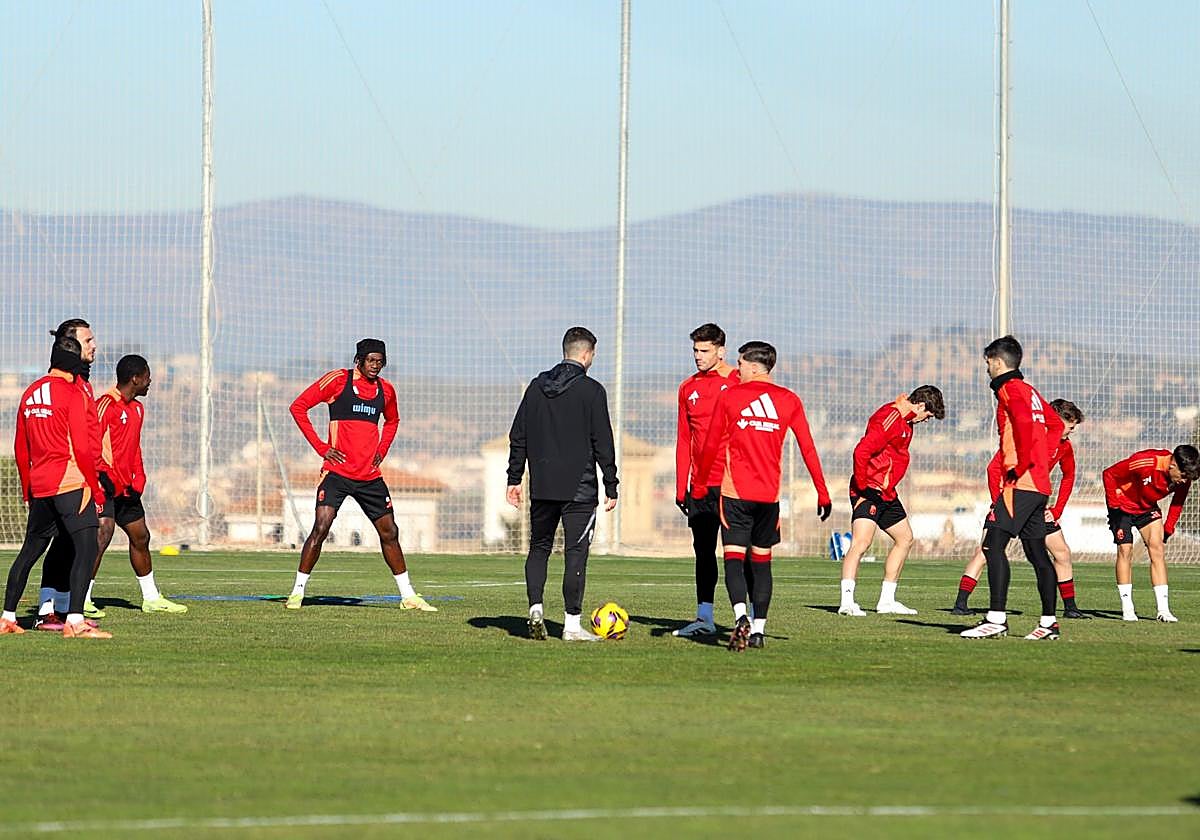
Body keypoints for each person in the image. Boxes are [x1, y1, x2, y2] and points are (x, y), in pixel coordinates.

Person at [692, 341, 831, 651]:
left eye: (740, 364)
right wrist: (823, 492)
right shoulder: (789, 400)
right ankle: (758, 630)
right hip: (768, 498)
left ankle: (740, 615)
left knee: (733, 559)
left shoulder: (730, 397)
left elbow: (710, 446)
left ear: (754, 367)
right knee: (762, 564)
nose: (736, 370)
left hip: (735, 494)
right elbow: (808, 447)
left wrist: (700, 487)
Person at [287, 339, 435, 612]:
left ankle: (409, 596)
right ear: (359, 360)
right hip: (336, 473)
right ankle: (297, 592)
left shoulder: (386, 390)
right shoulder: (337, 381)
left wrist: (382, 450)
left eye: (380, 361)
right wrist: (322, 448)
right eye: (371, 360)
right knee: (321, 527)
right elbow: (298, 407)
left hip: (369, 477)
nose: (376, 366)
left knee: (390, 532)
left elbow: (393, 421)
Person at [506, 326, 618, 642]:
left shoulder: (535, 387)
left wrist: (514, 478)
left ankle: (535, 610)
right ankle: (571, 625)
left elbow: (519, 436)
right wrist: (611, 483)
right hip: (579, 489)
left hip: (541, 486)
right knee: (576, 553)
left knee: (538, 548)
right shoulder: (592, 391)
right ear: (586, 354)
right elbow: (603, 441)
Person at [1, 336, 111, 638]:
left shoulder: (30, 392)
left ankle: (7, 617)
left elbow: (20, 448)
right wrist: (95, 488)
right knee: (87, 548)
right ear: (75, 363)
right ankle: (75, 621)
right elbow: (82, 446)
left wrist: (27, 489)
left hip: (40, 487)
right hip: (70, 482)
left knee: (29, 552)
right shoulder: (72, 393)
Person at [960, 335, 1060, 641]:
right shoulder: (1029, 390)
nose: (987, 368)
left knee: (992, 546)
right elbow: (1054, 426)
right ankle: (1048, 624)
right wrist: (1042, 461)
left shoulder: (1010, 388)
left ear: (998, 362)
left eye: (988, 362)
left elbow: (1023, 423)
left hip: (1022, 483)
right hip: (1038, 483)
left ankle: (996, 619)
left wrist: (1023, 463)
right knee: (1037, 553)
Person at [952, 399, 1085, 618]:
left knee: (1061, 553)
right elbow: (993, 469)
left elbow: (1069, 476)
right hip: (1011, 503)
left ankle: (1070, 608)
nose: (1072, 431)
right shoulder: (1026, 438)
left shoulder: (1065, 446)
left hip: (1036, 507)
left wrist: (1057, 510)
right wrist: (998, 502)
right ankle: (960, 604)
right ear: (1057, 420)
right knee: (986, 552)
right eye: (1070, 426)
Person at [837, 386, 945, 617]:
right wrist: (864, 486)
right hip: (869, 489)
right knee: (861, 542)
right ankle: (846, 602)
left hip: (887, 492)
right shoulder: (890, 417)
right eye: (928, 415)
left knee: (905, 538)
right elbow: (861, 452)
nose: (926, 421)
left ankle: (886, 601)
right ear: (921, 406)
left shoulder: (907, 421)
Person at [35, 318, 107, 624]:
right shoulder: (62, 388)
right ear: (72, 344)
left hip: (86, 475)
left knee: (71, 542)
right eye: (88, 341)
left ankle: (62, 609)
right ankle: (46, 610)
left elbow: (91, 435)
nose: (94, 346)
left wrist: (100, 469)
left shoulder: (83, 385)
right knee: (64, 543)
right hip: (66, 479)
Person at [672, 323, 740, 637]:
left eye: (704, 351)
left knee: (739, 551)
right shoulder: (688, 388)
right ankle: (704, 617)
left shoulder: (738, 382)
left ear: (720, 351)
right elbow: (684, 439)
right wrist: (680, 486)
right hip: (700, 486)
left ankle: (748, 617)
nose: (698, 357)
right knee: (703, 551)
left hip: (732, 484)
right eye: (695, 351)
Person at [1102, 444, 1200, 622]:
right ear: (1173, 465)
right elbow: (1109, 474)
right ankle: (1128, 608)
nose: (1184, 481)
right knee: (1126, 550)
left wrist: (1169, 527)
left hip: (1147, 509)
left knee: (1157, 550)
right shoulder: (1144, 463)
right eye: (1183, 476)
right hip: (1123, 505)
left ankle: (1163, 610)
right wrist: (1114, 504)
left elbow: (1178, 501)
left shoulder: (1185, 477)